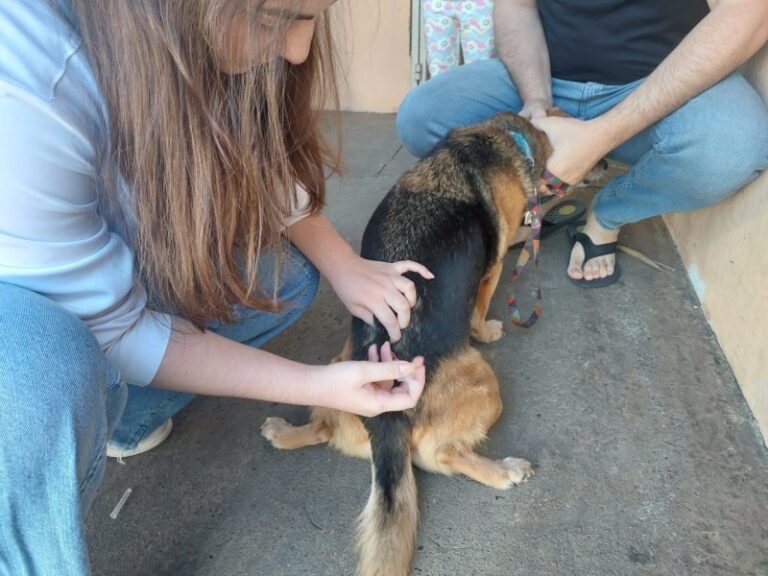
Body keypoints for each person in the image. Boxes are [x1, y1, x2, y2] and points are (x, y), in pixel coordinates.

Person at [0, 1, 429, 573]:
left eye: (313, 18)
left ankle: (120, 419)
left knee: (282, 278)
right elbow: (116, 329)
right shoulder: (35, 81)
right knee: (46, 373)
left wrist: (344, 264)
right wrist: (318, 386)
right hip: (22, 308)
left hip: (78, 261)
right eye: (277, 17)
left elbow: (253, 153)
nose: (300, 50)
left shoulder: (189, 41)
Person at [398, 0, 768, 287]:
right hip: (550, 77)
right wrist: (538, 106)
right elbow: (516, 7)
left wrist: (600, 136)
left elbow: (751, 13)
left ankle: (609, 212)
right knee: (422, 117)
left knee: (733, 146)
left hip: (659, 89)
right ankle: (531, 202)